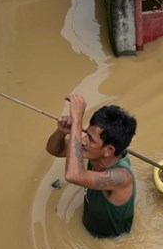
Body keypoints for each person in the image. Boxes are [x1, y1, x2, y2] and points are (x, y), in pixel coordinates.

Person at [45, 94, 138, 238]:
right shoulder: (93, 152)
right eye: (86, 134)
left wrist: (76, 122)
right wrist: (62, 132)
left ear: (108, 150)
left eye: (91, 139)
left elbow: (73, 175)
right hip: (89, 226)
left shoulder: (121, 177)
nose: (82, 141)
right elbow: (54, 149)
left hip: (110, 242)